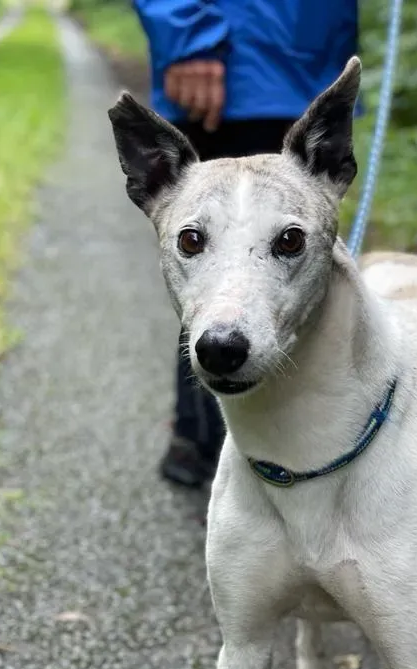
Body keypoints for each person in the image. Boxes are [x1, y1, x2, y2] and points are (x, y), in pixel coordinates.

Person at [131, 0, 361, 488]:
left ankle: (316, 457)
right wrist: (187, 36)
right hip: (227, 67)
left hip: (309, 58)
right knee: (224, 280)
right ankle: (212, 453)